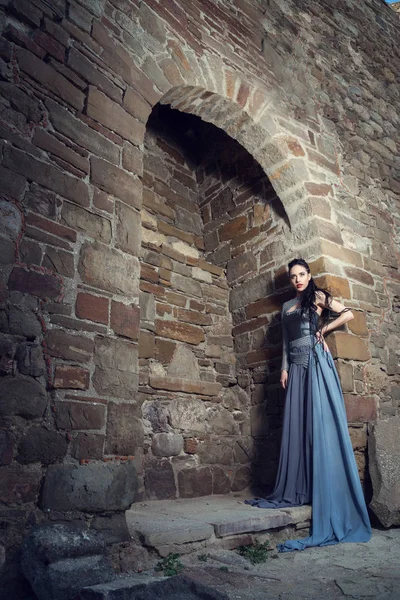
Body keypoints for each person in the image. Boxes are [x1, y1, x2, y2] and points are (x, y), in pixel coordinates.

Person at [246, 258, 372, 552]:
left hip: (317, 364)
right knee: (299, 426)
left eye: (302, 274)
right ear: (290, 280)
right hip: (297, 368)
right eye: (293, 276)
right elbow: (287, 344)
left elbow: (349, 314)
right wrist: (284, 369)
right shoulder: (285, 307)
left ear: (309, 275)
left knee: (320, 425)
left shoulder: (316, 296)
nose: (298, 280)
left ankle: (329, 489)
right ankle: (299, 486)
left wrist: (324, 331)